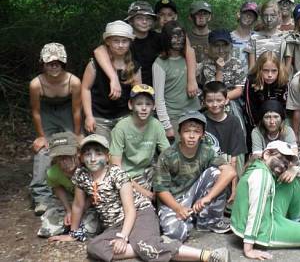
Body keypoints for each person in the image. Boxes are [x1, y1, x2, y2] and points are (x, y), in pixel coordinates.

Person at [49, 134, 230, 262]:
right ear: (81, 157)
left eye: (98, 153)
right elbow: (79, 205)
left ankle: (208, 255)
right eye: (88, 154)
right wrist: (73, 234)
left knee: (145, 245)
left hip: (140, 214)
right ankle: (151, 248)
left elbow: (130, 209)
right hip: (113, 224)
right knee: (94, 248)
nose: (93, 158)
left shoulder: (117, 174)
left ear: (107, 156)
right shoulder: (81, 176)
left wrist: (122, 237)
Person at [231, 140, 300, 259]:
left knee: (292, 180)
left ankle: (298, 223)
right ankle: (298, 226)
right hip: (263, 231)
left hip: (268, 217)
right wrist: (249, 249)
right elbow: (256, 211)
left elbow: (294, 176)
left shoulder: (260, 166)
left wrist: (294, 169)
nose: (284, 165)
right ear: (267, 154)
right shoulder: (262, 176)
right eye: (281, 159)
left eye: (286, 163)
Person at [154, 111, 236, 241]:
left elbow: (230, 172)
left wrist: (207, 198)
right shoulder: (167, 155)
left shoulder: (206, 151)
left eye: (196, 131)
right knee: (175, 234)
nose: (191, 136)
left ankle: (208, 221)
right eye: (187, 131)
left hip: (194, 195)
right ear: (180, 133)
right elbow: (160, 189)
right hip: (173, 201)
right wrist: (178, 208)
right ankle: (190, 220)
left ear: (202, 135)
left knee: (217, 173)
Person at [94, 0, 197, 102]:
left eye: (148, 18)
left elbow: (189, 50)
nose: (144, 21)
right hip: (125, 91)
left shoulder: (158, 38)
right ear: (131, 20)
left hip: (157, 91)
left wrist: (191, 80)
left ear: (153, 21)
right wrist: (113, 78)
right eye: (139, 18)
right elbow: (99, 50)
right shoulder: (124, 40)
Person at [29, 43, 82, 215]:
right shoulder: (36, 84)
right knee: (43, 149)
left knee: (74, 144)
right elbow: (36, 112)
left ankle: (77, 187)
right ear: (43, 63)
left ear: (63, 63)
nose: (53, 66)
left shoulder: (73, 81)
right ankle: (41, 197)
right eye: (49, 62)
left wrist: (77, 134)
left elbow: (76, 110)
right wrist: (41, 136)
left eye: (57, 63)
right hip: (46, 112)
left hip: (67, 110)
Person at [82, 21, 140, 140]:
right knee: (102, 150)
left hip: (124, 116)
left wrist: (136, 117)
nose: (120, 45)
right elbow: (85, 88)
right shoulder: (95, 64)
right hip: (99, 118)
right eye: (116, 41)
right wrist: (88, 116)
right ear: (108, 41)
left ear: (130, 42)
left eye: (124, 41)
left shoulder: (134, 66)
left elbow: (137, 94)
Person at [109, 84, 169, 200]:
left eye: (148, 104)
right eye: (139, 103)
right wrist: (142, 191)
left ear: (154, 106)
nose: (144, 108)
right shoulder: (121, 127)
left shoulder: (156, 124)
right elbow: (116, 168)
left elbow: (168, 154)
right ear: (130, 105)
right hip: (128, 176)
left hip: (148, 172)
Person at [37, 132, 99, 238]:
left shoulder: (90, 168)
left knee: (91, 227)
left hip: (93, 202)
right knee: (48, 229)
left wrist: (81, 210)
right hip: (74, 202)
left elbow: (96, 193)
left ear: (78, 153)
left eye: (68, 155)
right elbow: (58, 188)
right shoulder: (53, 172)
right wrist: (69, 210)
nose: (65, 161)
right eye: (60, 157)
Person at [153, 21, 201, 142]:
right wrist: (166, 125)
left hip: (194, 112)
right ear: (166, 38)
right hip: (174, 116)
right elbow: (158, 98)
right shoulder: (160, 64)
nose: (178, 40)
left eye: (181, 36)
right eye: (174, 36)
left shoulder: (188, 58)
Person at [202, 81, 247, 204]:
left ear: (226, 100)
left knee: (237, 161)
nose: (215, 104)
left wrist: (234, 186)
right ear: (204, 102)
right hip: (208, 163)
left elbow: (236, 155)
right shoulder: (201, 121)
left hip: (229, 162)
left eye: (219, 100)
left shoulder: (234, 122)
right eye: (210, 101)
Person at [243, 51, 289, 129]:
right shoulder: (251, 80)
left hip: (277, 122)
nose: (270, 75)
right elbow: (250, 107)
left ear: (279, 70)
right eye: (265, 70)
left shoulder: (283, 81)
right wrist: (256, 126)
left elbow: (284, 106)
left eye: (274, 71)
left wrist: (279, 125)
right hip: (256, 122)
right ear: (259, 69)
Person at [197, 29, 247, 101]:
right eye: (216, 46)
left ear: (230, 46)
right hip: (212, 102)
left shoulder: (236, 63)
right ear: (210, 47)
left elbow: (239, 90)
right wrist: (219, 70)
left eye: (224, 45)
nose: (221, 50)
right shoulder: (206, 65)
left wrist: (222, 99)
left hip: (231, 99)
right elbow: (214, 90)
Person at [246, 0, 286, 69]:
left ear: (279, 15)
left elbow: (285, 64)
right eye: (265, 15)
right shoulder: (254, 38)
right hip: (258, 78)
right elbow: (251, 67)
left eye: (273, 15)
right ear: (261, 16)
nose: (269, 19)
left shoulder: (284, 37)